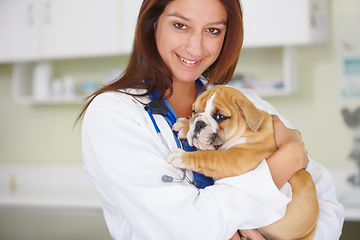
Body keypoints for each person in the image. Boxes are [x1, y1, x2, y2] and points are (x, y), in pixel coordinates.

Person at [78, 0, 344, 239]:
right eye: (180, 25)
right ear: (153, 23)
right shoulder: (114, 113)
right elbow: (188, 229)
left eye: (213, 30)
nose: (195, 47)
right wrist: (285, 162)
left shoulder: (245, 103)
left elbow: (326, 205)